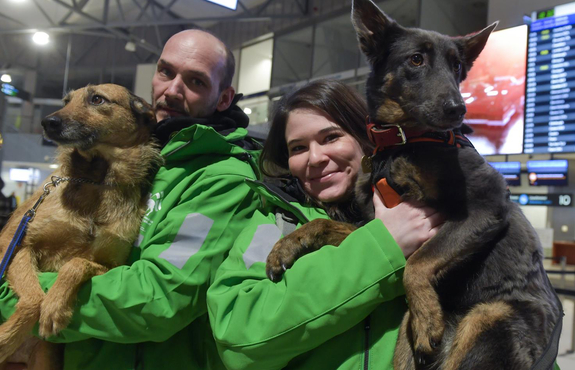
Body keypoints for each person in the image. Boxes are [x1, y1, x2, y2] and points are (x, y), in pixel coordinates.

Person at [0, 29, 262, 369]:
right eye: (166, 71)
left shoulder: (220, 179)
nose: (171, 90)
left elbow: (160, 298)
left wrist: (16, 300)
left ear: (224, 98)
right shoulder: (143, 158)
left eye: (195, 81)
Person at [206, 80, 445, 370]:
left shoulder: (424, 208)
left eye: (331, 137)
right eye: (297, 148)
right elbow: (238, 336)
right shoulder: (274, 225)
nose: (315, 158)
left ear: (364, 137)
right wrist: (383, 247)